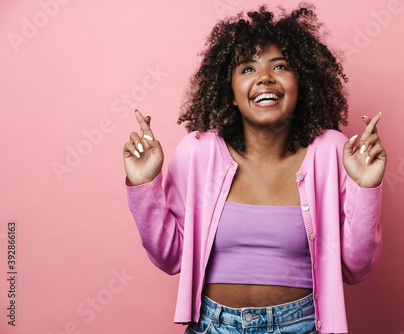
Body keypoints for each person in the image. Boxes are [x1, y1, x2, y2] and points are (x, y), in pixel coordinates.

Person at [123, 4, 386, 334]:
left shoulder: (332, 151)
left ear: (300, 83)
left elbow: (356, 268)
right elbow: (171, 258)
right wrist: (144, 183)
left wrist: (366, 187)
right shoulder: (198, 151)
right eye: (247, 69)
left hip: (301, 325)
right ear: (230, 92)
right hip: (211, 326)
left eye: (280, 66)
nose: (265, 77)